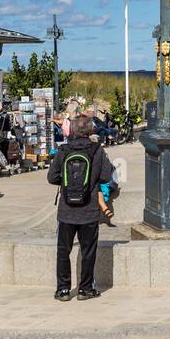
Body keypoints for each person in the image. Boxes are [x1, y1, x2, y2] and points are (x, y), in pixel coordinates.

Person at [47, 114, 114, 301]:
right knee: (88, 251)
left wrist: (69, 184)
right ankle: (85, 289)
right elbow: (106, 177)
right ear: (91, 130)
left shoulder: (64, 150)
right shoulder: (97, 151)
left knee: (63, 250)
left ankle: (63, 290)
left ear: (73, 131)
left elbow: (52, 177)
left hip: (66, 210)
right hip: (89, 210)